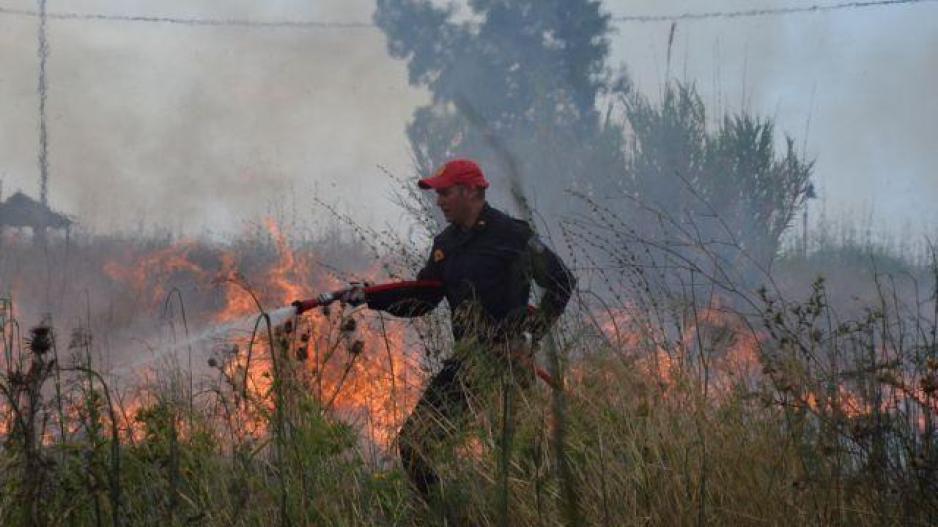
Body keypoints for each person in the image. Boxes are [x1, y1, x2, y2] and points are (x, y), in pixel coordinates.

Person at [353, 158, 575, 499]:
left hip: (510, 365)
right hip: (467, 363)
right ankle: (447, 514)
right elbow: (422, 299)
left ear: (472, 191)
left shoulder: (514, 235)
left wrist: (532, 332)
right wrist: (368, 297)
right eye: (437, 193)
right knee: (414, 445)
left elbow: (560, 281)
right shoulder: (445, 244)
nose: (439, 200)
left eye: (445, 192)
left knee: (521, 464)